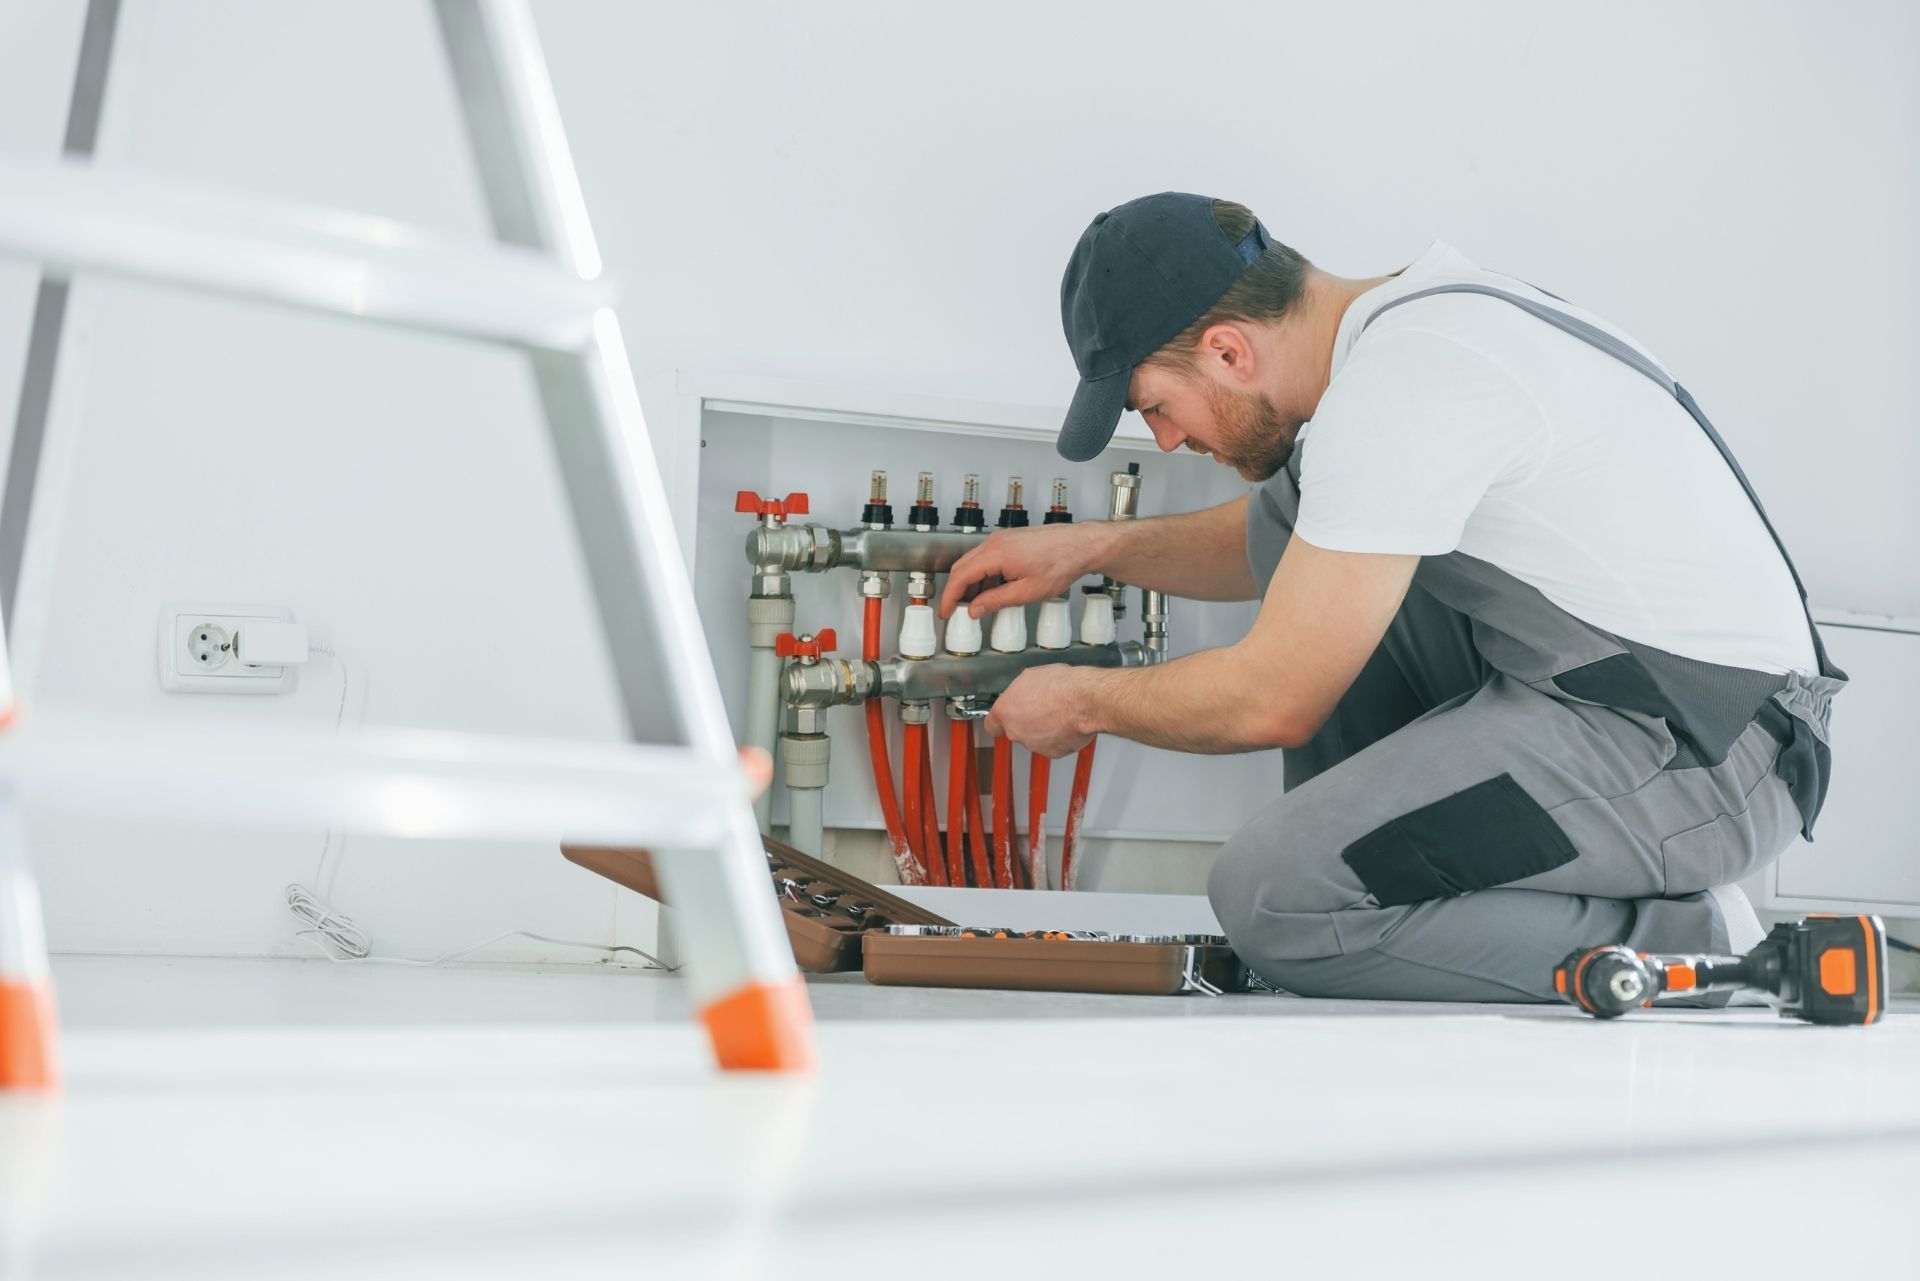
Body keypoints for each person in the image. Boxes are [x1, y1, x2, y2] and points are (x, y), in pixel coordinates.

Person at [938, 192, 1846, 1003]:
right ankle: (1375, 905)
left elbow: (1272, 700)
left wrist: (1083, 700)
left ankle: (1696, 943)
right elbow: (1316, 537)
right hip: (1632, 697)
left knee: (1270, 896)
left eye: (1156, 406)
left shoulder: (1405, 385)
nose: (1167, 441)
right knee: (1292, 509)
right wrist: (1092, 551)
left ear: (1228, 349)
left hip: (1705, 752)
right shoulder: (1417, 332)